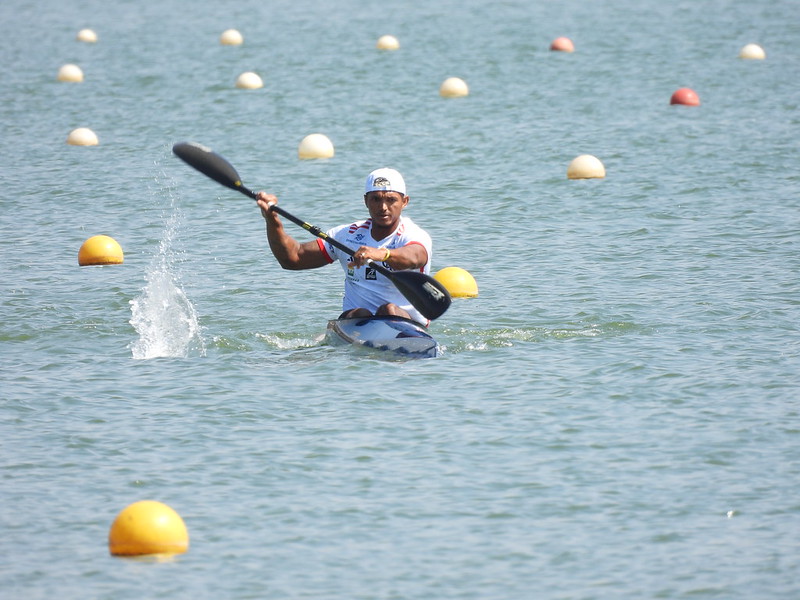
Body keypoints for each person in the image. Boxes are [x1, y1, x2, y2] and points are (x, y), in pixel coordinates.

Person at [255, 168, 433, 325]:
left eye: (391, 200)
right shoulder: (347, 235)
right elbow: (293, 258)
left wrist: (382, 254)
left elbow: (415, 257)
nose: (383, 207)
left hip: (407, 324)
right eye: (376, 199)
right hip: (356, 323)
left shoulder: (413, 234)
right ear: (366, 201)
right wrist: (273, 221)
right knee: (359, 314)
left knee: (389, 310)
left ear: (405, 202)